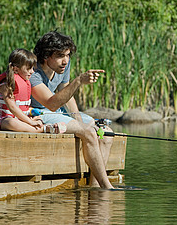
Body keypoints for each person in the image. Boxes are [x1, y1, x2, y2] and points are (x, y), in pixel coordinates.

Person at [30, 31, 116, 189]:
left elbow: (66, 94)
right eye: (60, 56)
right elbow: (52, 103)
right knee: (89, 133)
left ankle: (96, 187)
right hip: (38, 113)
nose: (65, 61)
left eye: (68, 55)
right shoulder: (33, 73)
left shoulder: (62, 66)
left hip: (56, 112)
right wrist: (78, 81)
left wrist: (77, 120)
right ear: (46, 56)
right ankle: (107, 187)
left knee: (106, 133)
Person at [0, 48, 62, 133]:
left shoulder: (24, 81)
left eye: (33, 69)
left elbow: (22, 106)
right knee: (11, 123)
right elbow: (12, 107)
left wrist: (31, 112)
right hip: (2, 120)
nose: (32, 72)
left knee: (38, 117)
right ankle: (44, 129)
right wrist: (30, 121)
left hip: (20, 118)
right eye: (28, 69)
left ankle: (42, 126)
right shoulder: (5, 85)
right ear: (16, 69)